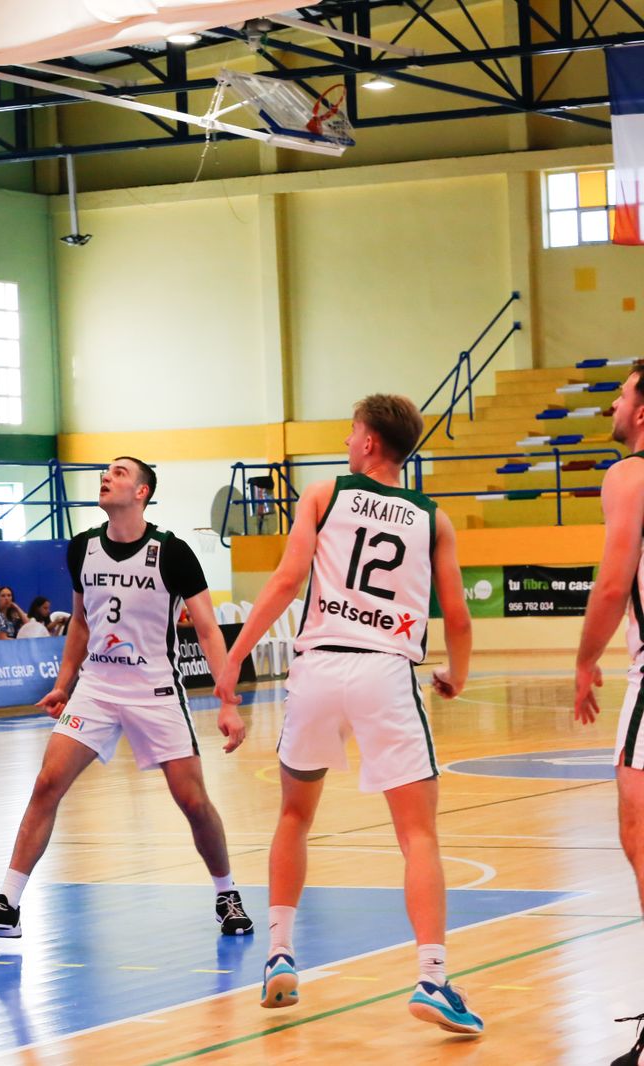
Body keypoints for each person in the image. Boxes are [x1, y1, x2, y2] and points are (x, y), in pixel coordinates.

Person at [214, 394, 481, 1037]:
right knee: (418, 835)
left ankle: (279, 952)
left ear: (367, 443)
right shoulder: (431, 517)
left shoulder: (323, 494)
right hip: (385, 671)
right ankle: (433, 977)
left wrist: (233, 660)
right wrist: (456, 673)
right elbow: (459, 614)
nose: (346, 438)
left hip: (317, 668)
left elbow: (284, 580)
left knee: (293, 815)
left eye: (351, 431)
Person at [0, 457, 253, 942]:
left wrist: (226, 701)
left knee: (193, 801)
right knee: (47, 783)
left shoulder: (172, 551)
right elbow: (81, 620)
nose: (107, 477)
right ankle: (7, 903)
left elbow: (205, 628)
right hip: (97, 687)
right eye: (106, 472)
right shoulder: (83, 549)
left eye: (118, 472)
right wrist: (63, 681)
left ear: (141, 492)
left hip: (154, 690)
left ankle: (227, 895)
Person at [572, 359, 644, 1066]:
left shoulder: (629, 475)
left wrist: (585, 658)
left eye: (622, 394)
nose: (613, 406)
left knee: (640, 834)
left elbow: (613, 581)